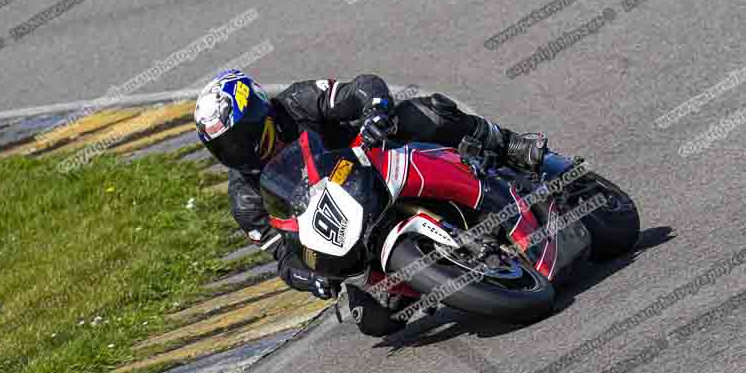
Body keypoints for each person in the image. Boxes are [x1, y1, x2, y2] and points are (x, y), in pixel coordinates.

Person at [194, 70, 547, 303]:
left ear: (260, 115)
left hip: (372, 161)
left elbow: (362, 87)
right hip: (343, 229)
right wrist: (310, 278)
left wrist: (375, 111)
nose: (237, 152)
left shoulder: (296, 103)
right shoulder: (244, 199)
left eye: (240, 139)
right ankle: (448, 276)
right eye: (224, 148)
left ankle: (508, 144)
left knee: (424, 115)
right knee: (376, 320)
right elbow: (283, 257)